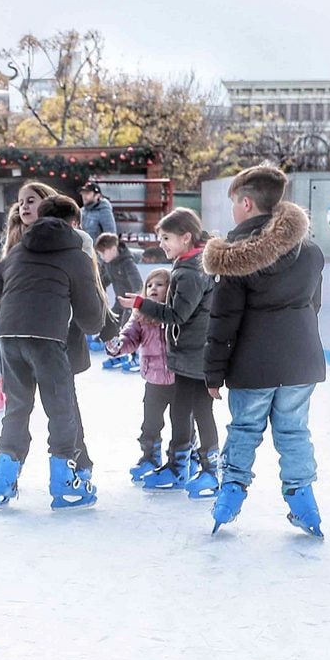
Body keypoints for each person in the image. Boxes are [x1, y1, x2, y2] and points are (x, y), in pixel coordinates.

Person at [201, 164, 328, 536]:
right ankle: (304, 502)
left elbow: (223, 321)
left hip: (252, 365)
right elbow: (313, 306)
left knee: (244, 429)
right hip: (301, 361)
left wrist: (213, 372)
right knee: (293, 432)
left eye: (233, 205)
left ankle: (230, 497)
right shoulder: (311, 251)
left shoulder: (235, 257)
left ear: (246, 202)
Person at [0, 195, 111, 509]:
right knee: (61, 408)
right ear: (74, 223)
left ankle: (3, 477)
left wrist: (18, 295)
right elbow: (92, 317)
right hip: (47, 338)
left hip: (9, 335)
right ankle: (64, 482)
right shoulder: (76, 254)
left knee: (17, 407)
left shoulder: (18, 249)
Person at [125, 207, 218, 496]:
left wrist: (140, 304)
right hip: (194, 352)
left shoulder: (191, 272)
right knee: (192, 411)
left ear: (186, 237)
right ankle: (190, 466)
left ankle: (193, 469)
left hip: (193, 354)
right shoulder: (192, 264)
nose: (162, 244)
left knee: (191, 411)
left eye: (166, 238)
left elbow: (178, 314)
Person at [105, 269, 176, 480]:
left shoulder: (178, 313)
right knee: (150, 423)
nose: (154, 288)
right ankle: (150, 457)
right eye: (150, 285)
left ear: (170, 289)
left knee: (182, 422)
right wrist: (116, 345)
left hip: (180, 379)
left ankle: (183, 458)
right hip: (154, 379)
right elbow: (129, 337)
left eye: (160, 284)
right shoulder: (141, 316)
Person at [95, 231, 143, 367]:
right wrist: (97, 286)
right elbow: (107, 279)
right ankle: (119, 354)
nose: (101, 257)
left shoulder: (127, 263)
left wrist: (136, 303)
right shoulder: (110, 263)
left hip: (131, 303)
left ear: (112, 249)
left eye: (102, 253)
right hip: (120, 301)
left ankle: (137, 357)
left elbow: (138, 284)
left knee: (129, 330)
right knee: (113, 326)